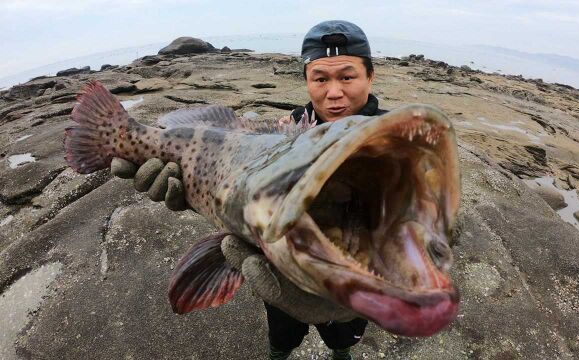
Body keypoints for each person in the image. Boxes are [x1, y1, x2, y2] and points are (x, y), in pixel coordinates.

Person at [112, 20, 386, 360]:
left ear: (370, 77)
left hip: (353, 287)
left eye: (347, 77)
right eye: (320, 78)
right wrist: (197, 197)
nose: (333, 92)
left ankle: (341, 351)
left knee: (343, 336)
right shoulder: (288, 128)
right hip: (276, 275)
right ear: (306, 81)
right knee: (282, 333)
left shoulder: (398, 142)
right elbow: (238, 190)